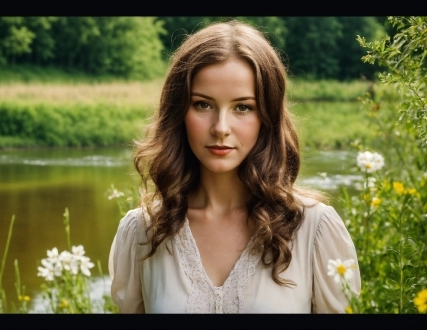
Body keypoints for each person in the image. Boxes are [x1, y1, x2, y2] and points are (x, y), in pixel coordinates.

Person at [108, 20, 360, 313]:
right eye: (203, 104)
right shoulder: (143, 231)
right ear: (179, 112)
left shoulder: (313, 229)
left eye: (243, 107)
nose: (220, 128)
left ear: (266, 117)